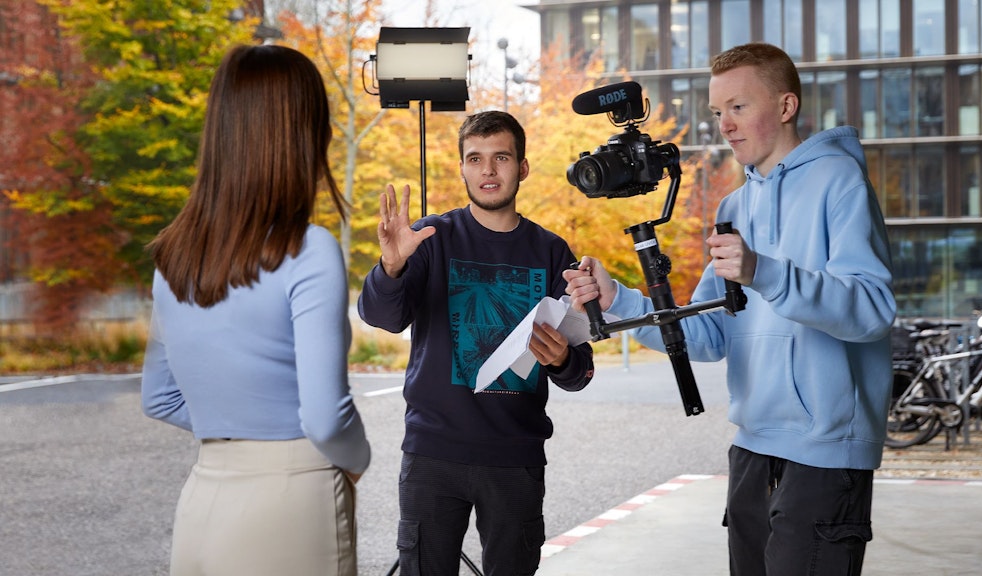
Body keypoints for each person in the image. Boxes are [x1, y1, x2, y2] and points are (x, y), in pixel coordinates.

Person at [564, 42, 895, 576]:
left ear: (785, 107)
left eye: (738, 107)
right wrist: (617, 297)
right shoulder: (734, 206)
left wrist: (764, 271)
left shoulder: (838, 181)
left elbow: (874, 310)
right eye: (718, 112)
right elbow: (711, 335)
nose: (725, 125)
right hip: (751, 448)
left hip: (825, 449)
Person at [140, 45, 371, 576]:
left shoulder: (173, 256)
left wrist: (236, 426)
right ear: (302, 135)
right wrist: (357, 461)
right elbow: (324, 417)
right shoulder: (308, 250)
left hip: (203, 500)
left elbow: (159, 398)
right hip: (292, 502)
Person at [358, 110, 595, 576]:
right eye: (475, 158)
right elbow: (381, 316)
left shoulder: (551, 252)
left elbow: (580, 372)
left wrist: (563, 358)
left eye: (501, 157)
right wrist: (389, 268)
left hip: (515, 458)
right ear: (462, 167)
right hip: (432, 453)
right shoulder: (429, 238)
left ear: (522, 168)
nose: (488, 170)